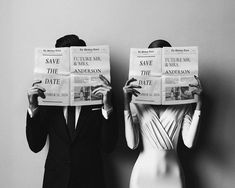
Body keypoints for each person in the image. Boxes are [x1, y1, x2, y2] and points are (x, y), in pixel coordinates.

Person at [26, 34, 117, 188]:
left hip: (91, 181)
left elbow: (108, 146)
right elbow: (35, 145)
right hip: (55, 181)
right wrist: (33, 107)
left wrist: (107, 107)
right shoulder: (45, 97)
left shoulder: (102, 96)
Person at [123, 39, 202, 188]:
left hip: (172, 173)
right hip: (143, 174)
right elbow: (132, 144)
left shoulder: (183, 101)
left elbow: (189, 143)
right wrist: (126, 104)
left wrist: (198, 105)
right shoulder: (137, 101)